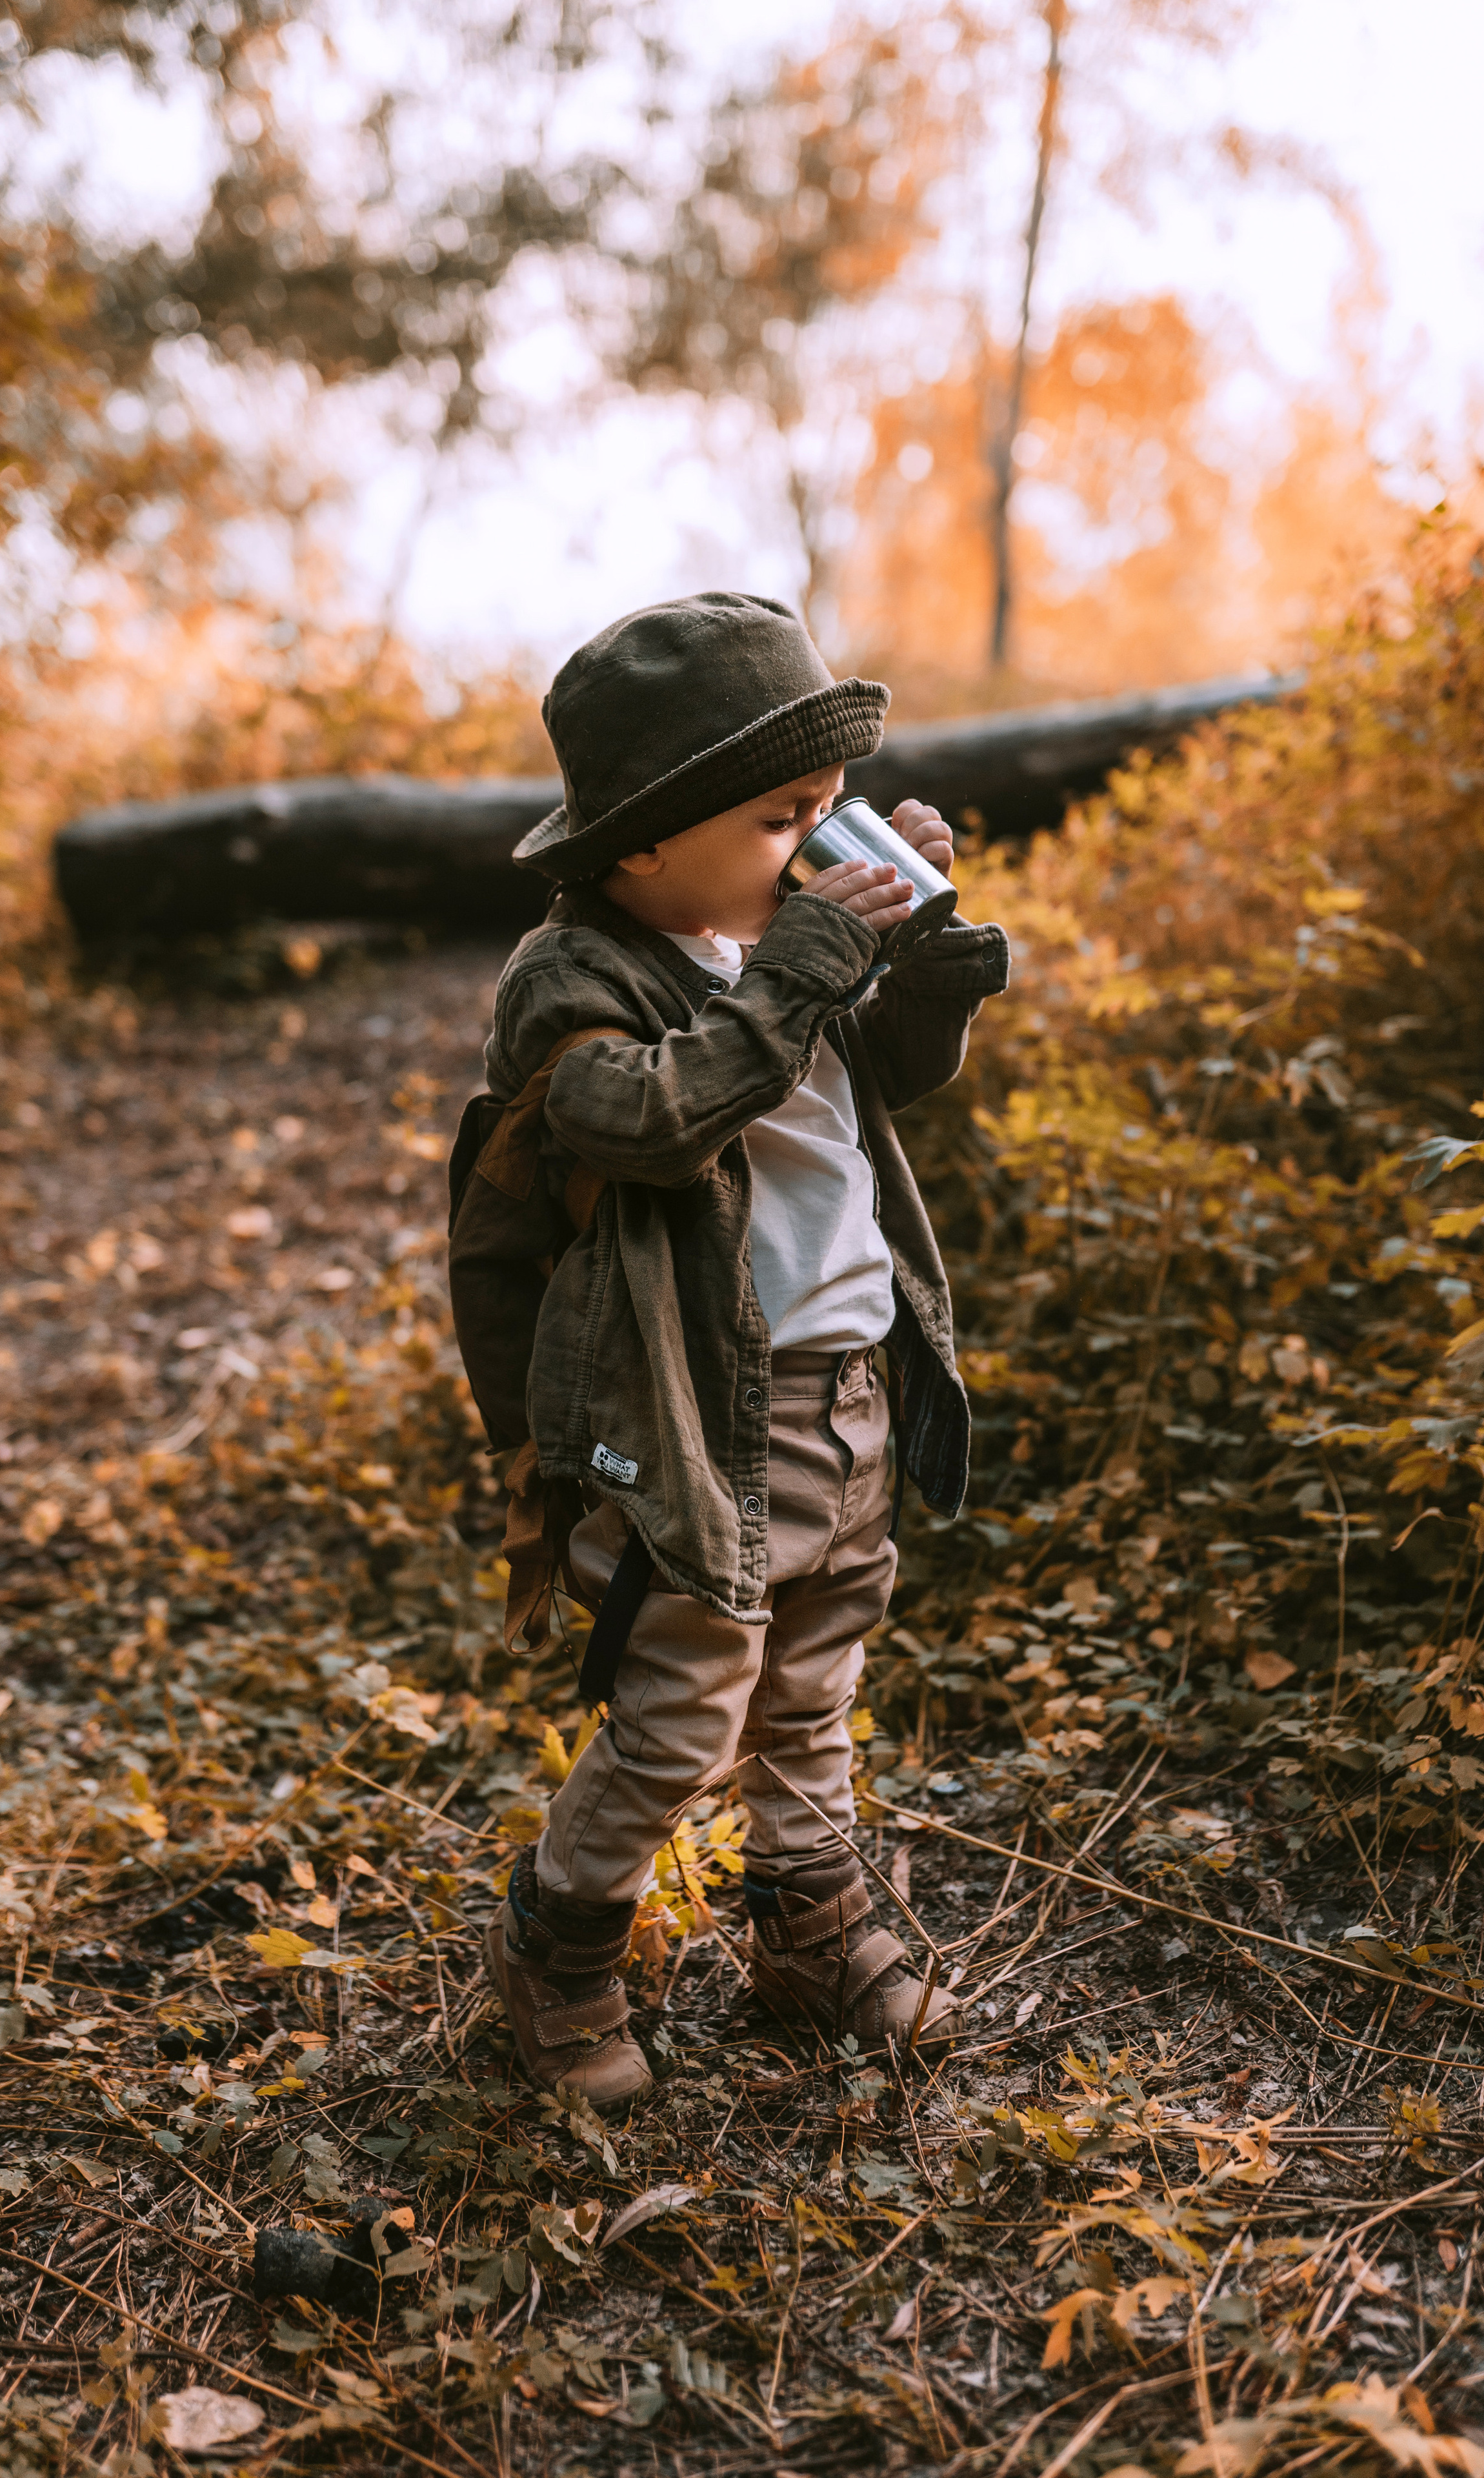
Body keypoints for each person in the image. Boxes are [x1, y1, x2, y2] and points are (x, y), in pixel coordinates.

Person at [472, 591, 1009, 2106]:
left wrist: (921, 991)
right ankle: (559, 1949)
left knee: (813, 1677)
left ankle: (806, 1926)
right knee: (682, 1702)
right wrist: (805, 963)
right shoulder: (574, 978)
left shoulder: (767, 935)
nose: (815, 849)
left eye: (826, 815)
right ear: (644, 840)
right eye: (784, 822)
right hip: (693, 1410)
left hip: (843, 1387)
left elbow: (868, 1095)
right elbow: (639, 1125)